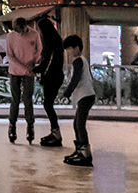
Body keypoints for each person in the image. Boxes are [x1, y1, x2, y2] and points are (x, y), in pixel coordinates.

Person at [3, 16, 41, 143]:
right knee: (15, 99)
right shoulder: (10, 37)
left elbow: (39, 50)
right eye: (17, 31)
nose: (20, 33)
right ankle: (12, 125)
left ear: (26, 26)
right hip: (15, 71)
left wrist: (33, 63)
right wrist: (25, 69)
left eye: (21, 30)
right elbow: (10, 55)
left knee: (27, 99)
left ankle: (30, 126)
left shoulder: (34, 34)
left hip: (29, 72)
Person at [61, 36, 95, 167]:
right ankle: (80, 150)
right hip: (86, 95)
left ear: (76, 48)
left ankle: (85, 154)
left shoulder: (78, 61)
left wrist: (66, 93)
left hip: (85, 96)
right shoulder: (83, 60)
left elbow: (75, 79)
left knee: (79, 125)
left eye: (70, 50)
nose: (69, 54)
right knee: (77, 124)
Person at [34, 13, 67, 147]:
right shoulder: (55, 43)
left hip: (52, 77)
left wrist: (40, 71)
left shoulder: (51, 45)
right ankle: (55, 132)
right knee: (48, 105)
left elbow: (48, 63)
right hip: (55, 76)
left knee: (48, 105)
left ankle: (56, 134)